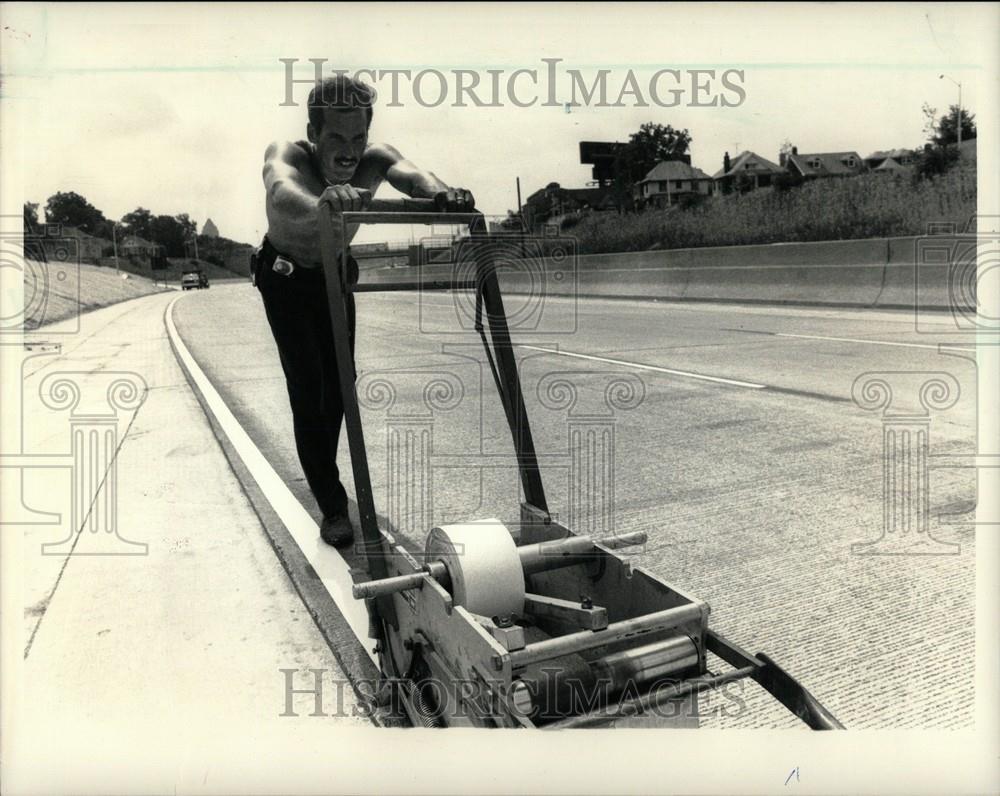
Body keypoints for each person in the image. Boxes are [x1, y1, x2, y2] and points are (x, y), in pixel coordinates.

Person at [257, 74, 474, 547]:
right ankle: (333, 506)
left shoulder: (372, 159)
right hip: (286, 277)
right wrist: (324, 201)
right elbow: (282, 190)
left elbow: (409, 173)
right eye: (336, 137)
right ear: (314, 134)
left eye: (358, 137)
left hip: (333, 275)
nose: (349, 151)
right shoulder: (288, 154)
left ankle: (330, 477)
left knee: (339, 389)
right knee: (308, 389)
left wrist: (441, 193)